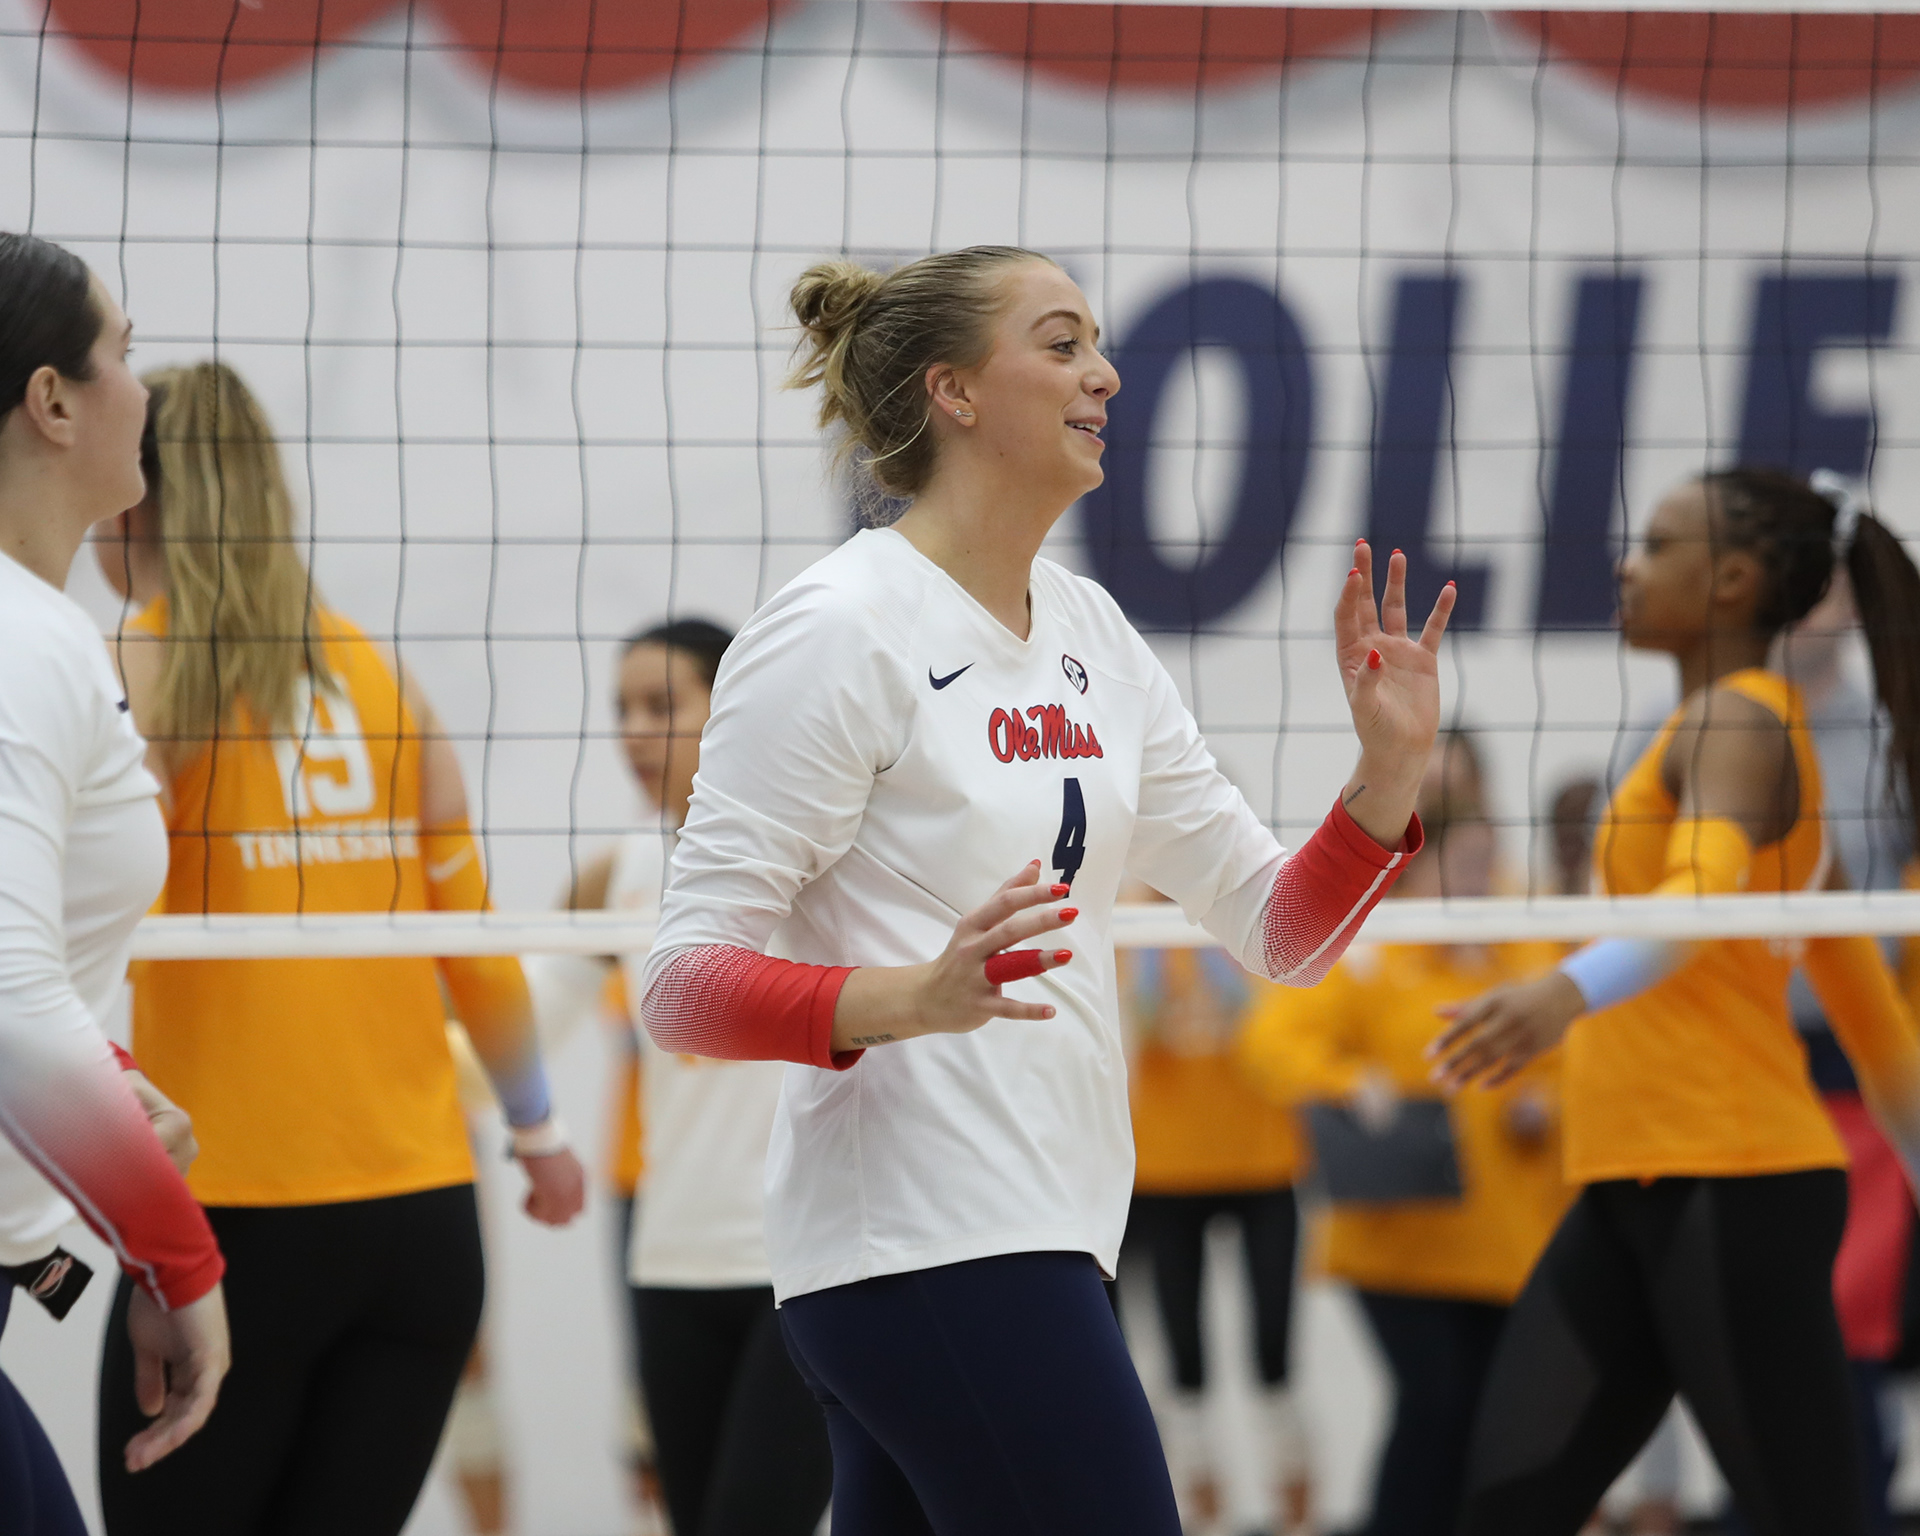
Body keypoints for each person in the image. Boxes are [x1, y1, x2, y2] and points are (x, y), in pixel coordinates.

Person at [637, 245, 1455, 1535]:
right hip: (926, 1234)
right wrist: (912, 997)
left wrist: (1389, 774)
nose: (1107, 375)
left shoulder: (1093, 631)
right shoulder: (837, 628)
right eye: (1063, 344)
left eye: (1097, 345)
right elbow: (682, 992)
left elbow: (1279, 932)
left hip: (1053, 1218)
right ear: (955, 391)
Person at [91, 359, 586, 1536]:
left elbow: (55, 931)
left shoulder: (139, 668)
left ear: (130, 498)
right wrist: (539, 1132)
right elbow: (475, 950)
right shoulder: (377, 672)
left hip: (235, 1215)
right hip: (422, 1223)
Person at [1432, 467, 1920, 1536]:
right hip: (1633, 1175)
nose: (1627, 564)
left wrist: (1565, 991)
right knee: (1506, 1507)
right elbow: (1876, 1024)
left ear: (1733, 580)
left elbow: (1698, 902)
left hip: (1734, 1176)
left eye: (1657, 544)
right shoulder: (1713, 731)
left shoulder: (1741, 724)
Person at [0, 230, 232, 1533]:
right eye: (125, 354)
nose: (146, 391)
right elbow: (5, 997)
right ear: (51, 400)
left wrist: (107, 1080)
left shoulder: (45, 636)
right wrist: (176, 1259)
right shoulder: (23, 640)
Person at [543, 618, 833, 1536]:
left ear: (729, 708)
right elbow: (506, 1042)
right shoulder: (617, 875)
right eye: (621, 709)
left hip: (801, 1263)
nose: (634, 732)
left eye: (660, 705)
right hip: (668, 1260)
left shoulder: (823, 849)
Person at [1240, 747, 1570, 1536]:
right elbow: (1270, 1046)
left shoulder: (1521, 941)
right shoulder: (1370, 946)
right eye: (1470, 862)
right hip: (1398, 1233)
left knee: (1490, 1420)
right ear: (1425, 866)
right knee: (1436, 1406)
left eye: (1491, 860)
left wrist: (1545, 1101)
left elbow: (1576, 1052)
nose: (1485, 876)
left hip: (1504, 1235)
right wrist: (1351, 1082)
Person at [1116, 887, 1311, 1534]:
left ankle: (1292, 1478)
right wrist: (1150, 946)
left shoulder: (1252, 908)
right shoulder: (1123, 923)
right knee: (1183, 1347)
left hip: (1263, 1158)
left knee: (1275, 1341)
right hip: (1169, 1167)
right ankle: (1199, 1492)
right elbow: (1131, 1029)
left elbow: (1280, 1018)